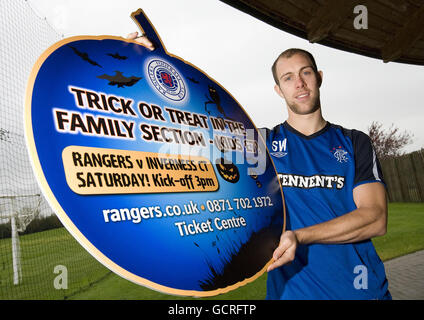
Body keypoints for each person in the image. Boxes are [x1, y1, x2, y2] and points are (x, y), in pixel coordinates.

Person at [129, 33, 391, 300]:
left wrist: (299, 236)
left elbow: (375, 218)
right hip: (290, 294)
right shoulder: (260, 144)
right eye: (288, 78)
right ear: (278, 90)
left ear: (319, 77)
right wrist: (142, 67)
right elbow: (186, 134)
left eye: (306, 73)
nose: (299, 83)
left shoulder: (354, 142)